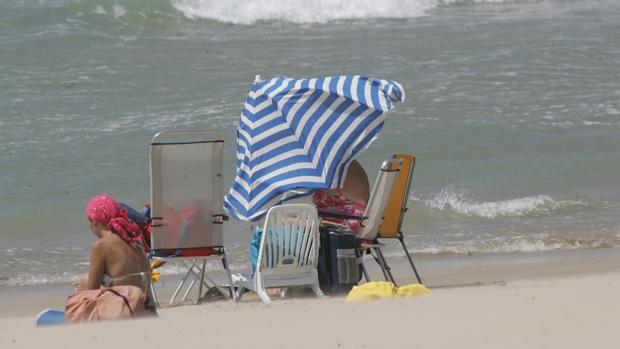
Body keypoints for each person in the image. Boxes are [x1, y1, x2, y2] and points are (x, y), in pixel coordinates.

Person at [77, 194, 156, 312]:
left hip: (121, 311)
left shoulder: (101, 245)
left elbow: (92, 290)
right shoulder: (135, 241)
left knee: (84, 281)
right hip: (146, 309)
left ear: (94, 222)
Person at [312, 160, 370, 234]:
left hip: (349, 221)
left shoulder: (335, 165)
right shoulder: (341, 160)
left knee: (298, 223)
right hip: (352, 217)